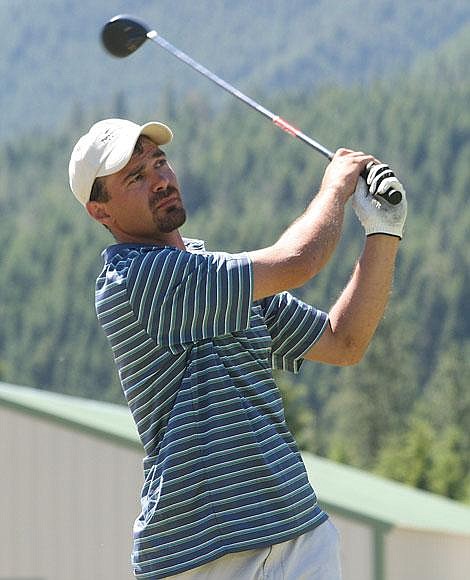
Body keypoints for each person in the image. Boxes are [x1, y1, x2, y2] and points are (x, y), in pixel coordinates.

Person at [69, 118, 407, 579]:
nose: (161, 181)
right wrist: (335, 188)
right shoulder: (132, 279)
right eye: (135, 177)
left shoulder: (215, 272)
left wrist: (383, 231)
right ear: (100, 212)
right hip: (203, 555)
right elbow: (297, 260)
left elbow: (343, 341)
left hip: (298, 532)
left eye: (159, 163)